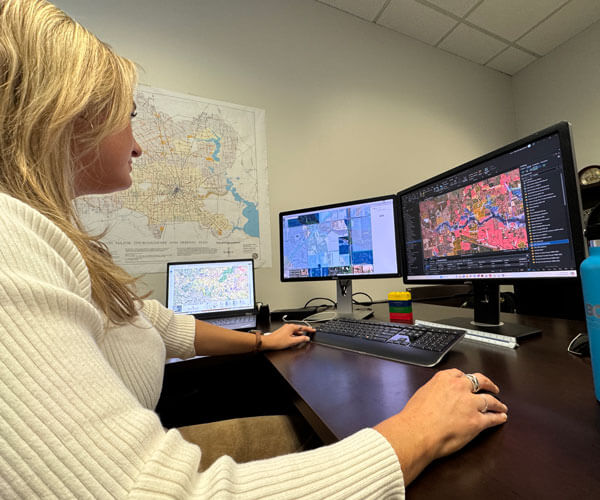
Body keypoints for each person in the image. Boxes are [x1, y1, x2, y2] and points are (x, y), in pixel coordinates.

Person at [0, 0, 508, 497]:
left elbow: (156, 322)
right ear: (69, 112)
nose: (138, 146)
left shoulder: (46, 234)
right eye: (127, 117)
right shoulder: (10, 238)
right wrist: (418, 430)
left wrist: (262, 342)